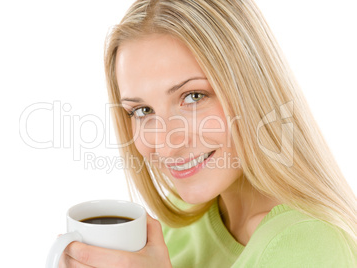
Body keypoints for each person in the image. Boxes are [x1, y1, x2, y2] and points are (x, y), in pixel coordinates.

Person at [59, 0, 356, 267]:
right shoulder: (182, 220)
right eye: (143, 111)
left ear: (253, 91)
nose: (165, 145)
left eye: (193, 97)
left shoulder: (309, 246)